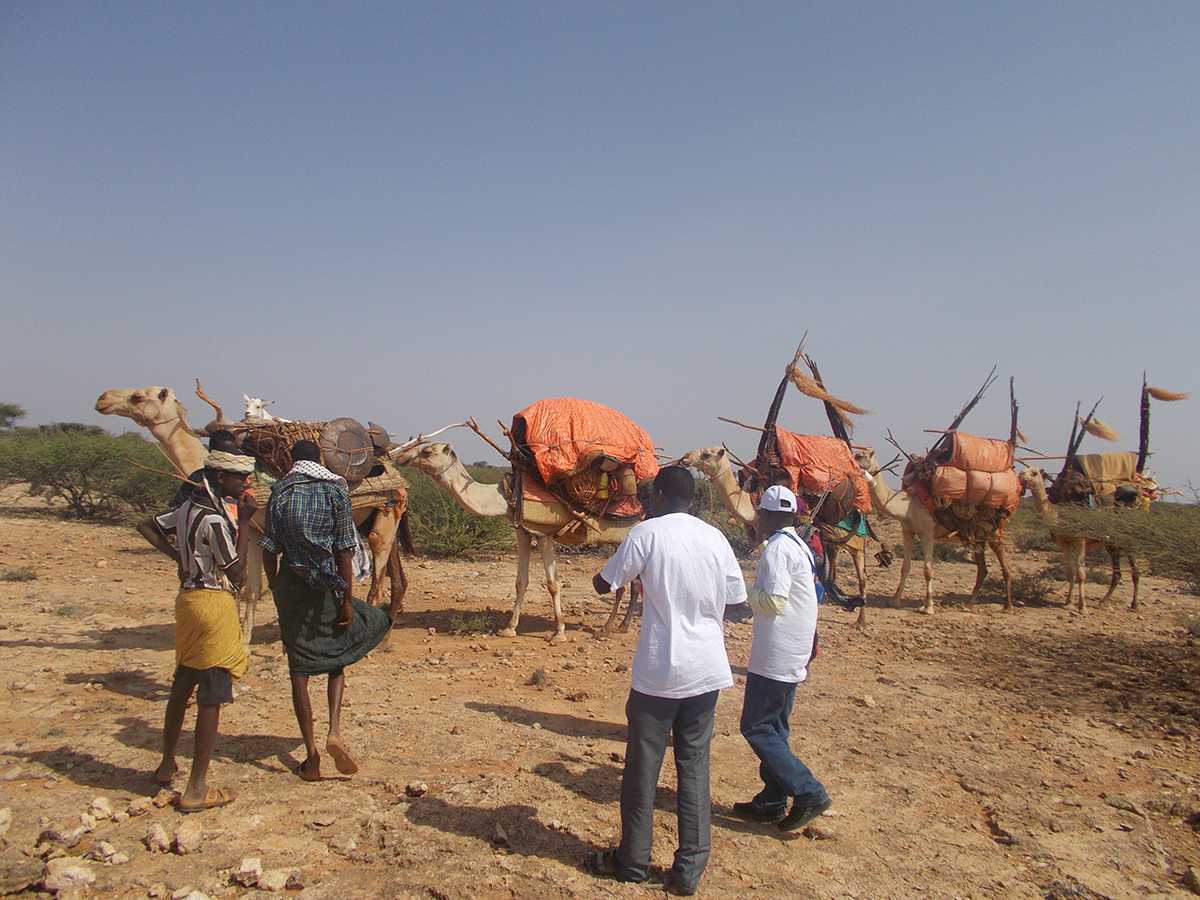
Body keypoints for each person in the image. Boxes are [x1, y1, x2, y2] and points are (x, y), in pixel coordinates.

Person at [588, 466, 747, 896]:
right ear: (692, 498)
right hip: (707, 669)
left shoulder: (647, 533)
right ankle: (689, 870)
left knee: (643, 769)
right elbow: (737, 604)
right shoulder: (715, 538)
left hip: (659, 672)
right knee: (694, 769)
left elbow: (604, 585)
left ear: (658, 494)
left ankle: (633, 862)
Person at [260, 440, 391, 781]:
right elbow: (346, 551)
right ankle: (334, 730)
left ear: (291, 459)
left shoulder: (280, 492)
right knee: (337, 658)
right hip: (327, 583)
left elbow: (268, 547)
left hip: (291, 583)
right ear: (320, 459)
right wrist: (346, 599)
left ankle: (312, 755)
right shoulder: (335, 491)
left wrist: (276, 587)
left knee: (298, 671)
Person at [149, 449, 257, 812]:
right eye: (239, 478)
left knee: (183, 683)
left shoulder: (185, 510)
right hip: (213, 604)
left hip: (187, 601)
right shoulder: (213, 520)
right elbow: (238, 573)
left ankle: (166, 765)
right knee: (212, 692)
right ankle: (196, 788)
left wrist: (180, 559)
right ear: (219, 478)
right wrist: (243, 522)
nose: (246, 483)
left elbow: (146, 525)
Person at [733, 485, 831, 831]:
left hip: (776, 652)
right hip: (794, 650)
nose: (756, 518)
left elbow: (773, 602)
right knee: (775, 727)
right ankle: (773, 799)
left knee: (756, 726)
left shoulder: (776, 550)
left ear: (769, 516)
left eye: (760, 513)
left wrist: (743, 598)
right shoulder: (798, 545)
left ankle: (809, 791)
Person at [136, 430, 243, 553]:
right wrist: (178, 557)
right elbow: (177, 512)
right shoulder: (198, 483)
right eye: (224, 454)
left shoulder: (234, 484)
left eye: (231, 453)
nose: (229, 457)